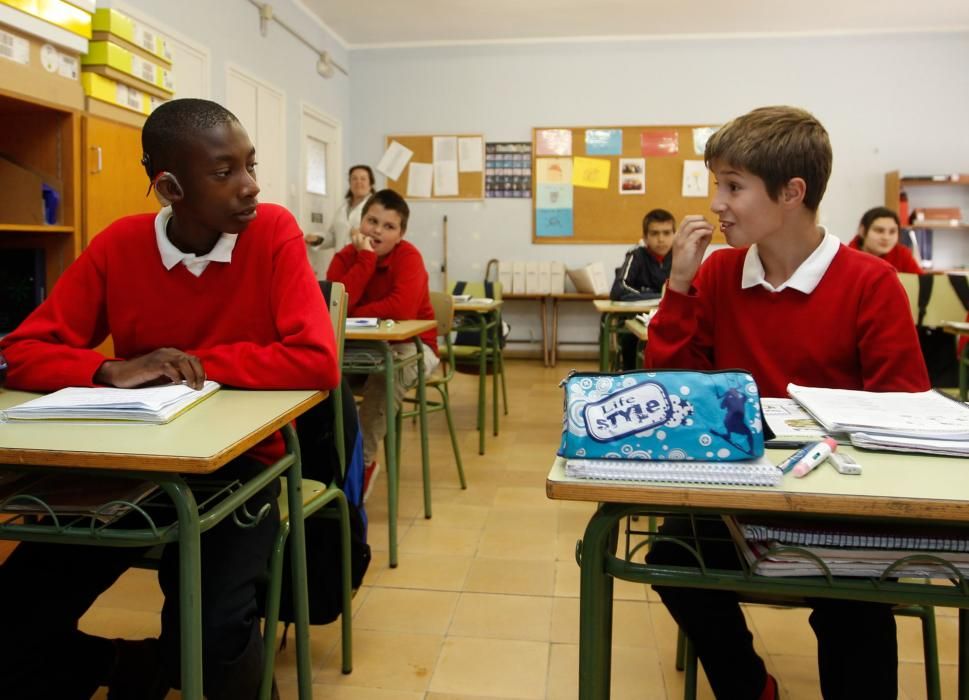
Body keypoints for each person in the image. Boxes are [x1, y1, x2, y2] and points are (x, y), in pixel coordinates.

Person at [0, 98, 339, 700]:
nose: (249, 186)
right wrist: (110, 368)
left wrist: (195, 365)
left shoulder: (272, 233)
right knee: (14, 618)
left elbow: (317, 361)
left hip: (241, 470)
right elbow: (23, 350)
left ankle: (178, 665)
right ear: (169, 187)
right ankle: (125, 668)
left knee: (209, 641)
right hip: (134, 466)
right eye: (223, 171)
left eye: (249, 165)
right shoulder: (120, 244)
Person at [644, 105, 929, 699]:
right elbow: (674, 397)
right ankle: (750, 688)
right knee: (670, 552)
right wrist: (679, 288)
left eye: (733, 186)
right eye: (716, 184)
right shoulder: (719, 274)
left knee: (854, 604)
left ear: (792, 192)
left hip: (839, 505)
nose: (715, 203)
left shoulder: (869, 283)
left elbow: (904, 412)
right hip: (741, 495)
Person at [326, 188, 438, 501]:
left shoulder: (409, 257)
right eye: (372, 221)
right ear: (360, 222)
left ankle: (361, 463)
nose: (377, 230)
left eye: (388, 227)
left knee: (388, 372)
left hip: (414, 347)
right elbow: (332, 304)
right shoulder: (345, 257)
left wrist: (353, 311)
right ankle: (326, 459)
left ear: (401, 234)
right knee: (321, 373)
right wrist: (365, 259)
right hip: (359, 350)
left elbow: (401, 309)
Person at [610, 208, 675, 369]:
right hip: (636, 319)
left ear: (675, 235)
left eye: (666, 233)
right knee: (630, 339)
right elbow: (619, 289)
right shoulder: (636, 256)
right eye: (654, 233)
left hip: (671, 320)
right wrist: (658, 297)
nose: (661, 239)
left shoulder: (681, 257)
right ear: (645, 237)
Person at [305, 164, 376, 279]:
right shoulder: (343, 208)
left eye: (363, 178)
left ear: (371, 183)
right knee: (338, 293)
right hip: (341, 262)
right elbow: (334, 236)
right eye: (354, 178)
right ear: (350, 182)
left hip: (362, 262)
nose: (358, 182)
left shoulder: (375, 206)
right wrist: (318, 239)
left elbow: (381, 236)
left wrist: (363, 235)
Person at [849, 205, 922, 273]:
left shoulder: (902, 254)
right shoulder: (847, 257)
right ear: (862, 231)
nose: (886, 237)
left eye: (892, 232)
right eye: (879, 231)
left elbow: (920, 282)